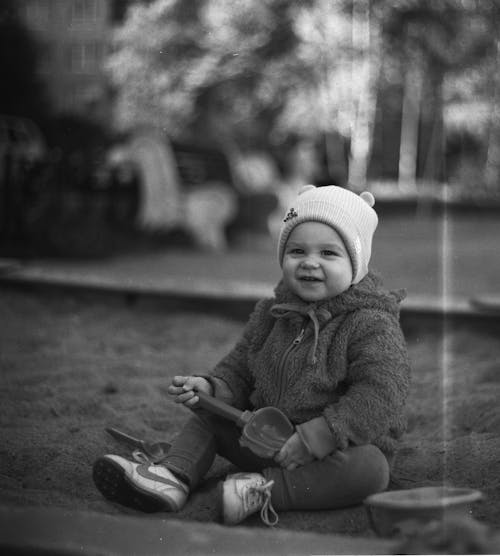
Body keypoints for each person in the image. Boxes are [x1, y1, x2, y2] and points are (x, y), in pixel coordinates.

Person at [93, 184, 411, 526]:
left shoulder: (371, 323)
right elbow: (241, 366)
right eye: (297, 250)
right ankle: (172, 476)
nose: (309, 263)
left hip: (334, 449)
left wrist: (322, 435)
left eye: (328, 254)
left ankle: (264, 491)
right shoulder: (271, 312)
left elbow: (382, 392)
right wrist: (213, 388)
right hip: (264, 435)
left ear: (357, 263)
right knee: (209, 417)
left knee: (371, 470)